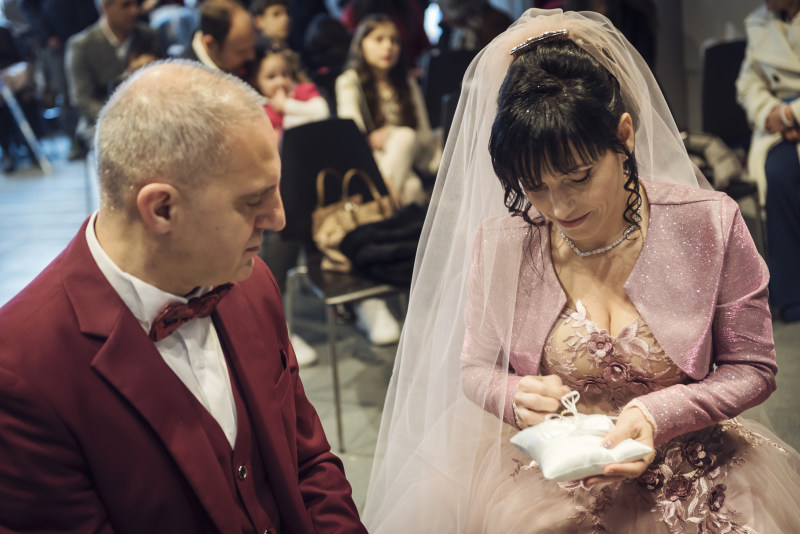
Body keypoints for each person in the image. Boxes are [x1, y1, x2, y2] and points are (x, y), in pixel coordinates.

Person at [363, 9, 800, 533]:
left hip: (695, 461)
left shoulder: (707, 223)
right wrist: (513, 396)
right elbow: (476, 366)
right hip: (558, 475)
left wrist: (659, 413)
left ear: (624, 136)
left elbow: (753, 366)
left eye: (578, 177)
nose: (559, 207)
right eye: (535, 186)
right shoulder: (505, 243)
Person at [0, 60, 367, 534]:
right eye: (253, 200)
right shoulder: (22, 370)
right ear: (162, 208)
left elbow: (309, 461)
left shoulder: (251, 282)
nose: (277, 218)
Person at [736, 0, 800, 323]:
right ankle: (791, 294)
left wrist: (792, 114)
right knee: (778, 173)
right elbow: (748, 85)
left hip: (793, 116)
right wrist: (772, 114)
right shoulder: (759, 21)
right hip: (780, 129)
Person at [336, 14, 439, 206]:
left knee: (409, 139)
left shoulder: (406, 82)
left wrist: (391, 132)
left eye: (394, 41)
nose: (388, 47)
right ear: (361, 44)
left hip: (410, 154)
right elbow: (352, 135)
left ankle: (384, 201)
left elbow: (423, 134)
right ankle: (387, 199)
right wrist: (380, 137)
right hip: (371, 159)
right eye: (379, 39)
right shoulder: (349, 81)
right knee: (412, 186)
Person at [65, 0, 161, 146]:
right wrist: (120, 119)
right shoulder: (82, 45)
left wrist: (154, 69)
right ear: (105, 8)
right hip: (101, 119)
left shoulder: (148, 35)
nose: (134, 11)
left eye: (135, 4)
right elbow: (82, 100)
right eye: (126, 5)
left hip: (149, 114)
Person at [253, 41, 329, 139]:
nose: (280, 81)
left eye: (285, 74)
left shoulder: (303, 90)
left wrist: (286, 105)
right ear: (256, 81)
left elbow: (322, 111)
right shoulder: (259, 109)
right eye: (271, 77)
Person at [182, 0, 256, 78]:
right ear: (210, 44)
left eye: (252, 46)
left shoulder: (257, 55)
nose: (252, 56)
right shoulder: (186, 76)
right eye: (241, 52)